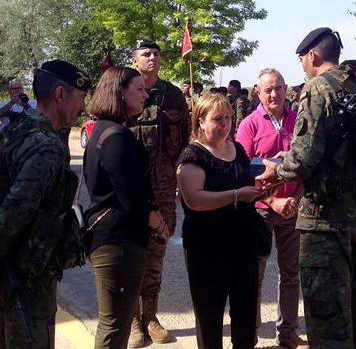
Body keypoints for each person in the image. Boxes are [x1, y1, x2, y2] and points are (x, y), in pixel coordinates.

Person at [257, 28, 356, 348]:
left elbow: (302, 161)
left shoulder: (317, 88)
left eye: (301, 59)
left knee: (326, 309)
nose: (301, 65)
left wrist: (278, 168)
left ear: (312, 56)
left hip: (326, 217)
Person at [0, 60, 91, 348]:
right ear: (61, 94)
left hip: (6, 274)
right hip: (27, 281)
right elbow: (10, 216)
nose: (84, 108)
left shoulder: (15, 131)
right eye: (81, 98)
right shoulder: (46, 146)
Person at [84, 66, 169, 348]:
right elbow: (132, 197)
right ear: (120, 93)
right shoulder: (117, 137)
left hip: (115, 239)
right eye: (139, 90)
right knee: (114, 325)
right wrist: (158, 223)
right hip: (118, 242)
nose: (146, 95)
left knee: (115, 324)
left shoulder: (105, 131)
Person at [176, 93, 262, 349]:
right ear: (200, 121)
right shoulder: (192, 156)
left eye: (228, 118)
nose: (224, 124)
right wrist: (237, 195)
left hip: (243, 245)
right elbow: (195, 200)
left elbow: (249, 186)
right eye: (217, 119)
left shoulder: (237, 149)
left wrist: (269, 189)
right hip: (207, 248)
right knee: (209, 317)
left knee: (245, 315)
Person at [236, 68, 308, 349]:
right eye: (268, 90)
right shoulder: (249, 125)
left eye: (278, 87)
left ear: (286, 88)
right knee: (254, 273)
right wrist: (272, 200)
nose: (274, 94)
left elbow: (305, 163)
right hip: (261, 210)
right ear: (258, 93)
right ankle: (248, 333)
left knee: (291, 274)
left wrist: (296, 199)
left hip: (292, 208)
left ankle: (287, 331)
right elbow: (243, 169)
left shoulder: (298, 121)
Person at [128, 39, 189, 345]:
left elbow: (186, 141)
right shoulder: (123, 92)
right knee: (131, 252)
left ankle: (150, 316)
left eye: (156, 54)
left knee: (155, 255)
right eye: (146, 54)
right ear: (134, 59)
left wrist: (182, 180)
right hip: (132, 189)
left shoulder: (174, 96)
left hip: (164, 189)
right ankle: (131, 321)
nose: (152, 58)